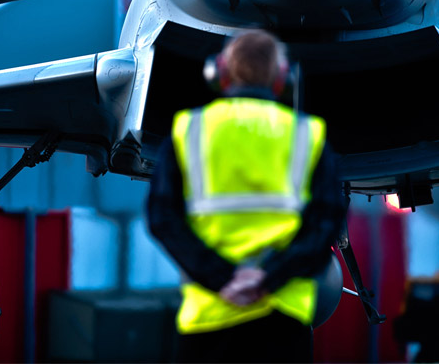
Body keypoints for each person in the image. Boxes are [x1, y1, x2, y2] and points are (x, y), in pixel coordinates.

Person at [147, 31, 346, 363]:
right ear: (283, 77)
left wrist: (223, 278)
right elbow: (325, 224)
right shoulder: (307, 134)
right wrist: (268, 279)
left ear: (220, 72)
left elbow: (162, 218)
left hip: (210, 316)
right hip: (283, 318)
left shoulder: (188, 129)